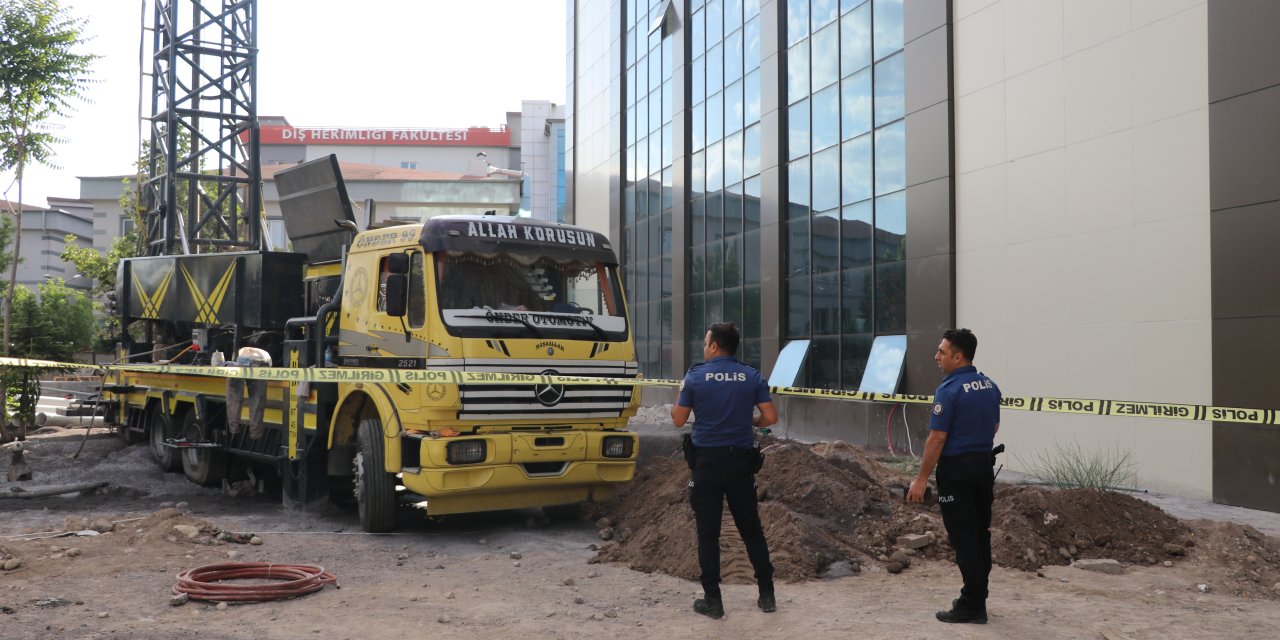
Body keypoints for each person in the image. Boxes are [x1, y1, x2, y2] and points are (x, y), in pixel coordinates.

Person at [671, 322, 778, 619]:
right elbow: (770, 416)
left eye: (706, 343)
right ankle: (767, 595)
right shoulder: (751, 375)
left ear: (715, 346)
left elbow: (678, 421)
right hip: (740, 464)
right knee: (751, 529)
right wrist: (750, 422)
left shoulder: (694, 377)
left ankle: (713, 602)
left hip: (707, 464)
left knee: (708, 535)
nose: (704, 348)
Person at [909, 328, 1002, 624]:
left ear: (958, 357)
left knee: (964, 539)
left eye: (942, 352)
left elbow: (937, 438)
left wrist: (921, 479)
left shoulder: (948, 390)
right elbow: (995, 425)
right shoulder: (989, 385)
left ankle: (972, 605)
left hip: (957, 472)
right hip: (983, 468)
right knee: (979, 534)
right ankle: (978, 596)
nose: (936, 357)